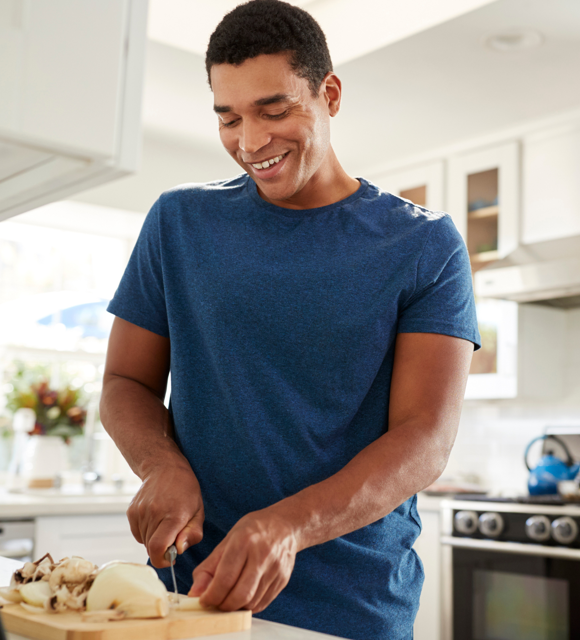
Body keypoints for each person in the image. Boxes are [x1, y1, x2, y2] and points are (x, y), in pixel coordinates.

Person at [100, 1, 480, 638]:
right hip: (198, 597)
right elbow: (124, 384)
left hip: (356, 608)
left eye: (274, 111)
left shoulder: (424, 245)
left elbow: (424, 440)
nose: (250, 143)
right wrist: (161, 465)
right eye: (229, 118)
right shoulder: (178, 224)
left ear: (329, 94)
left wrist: (289, 525)